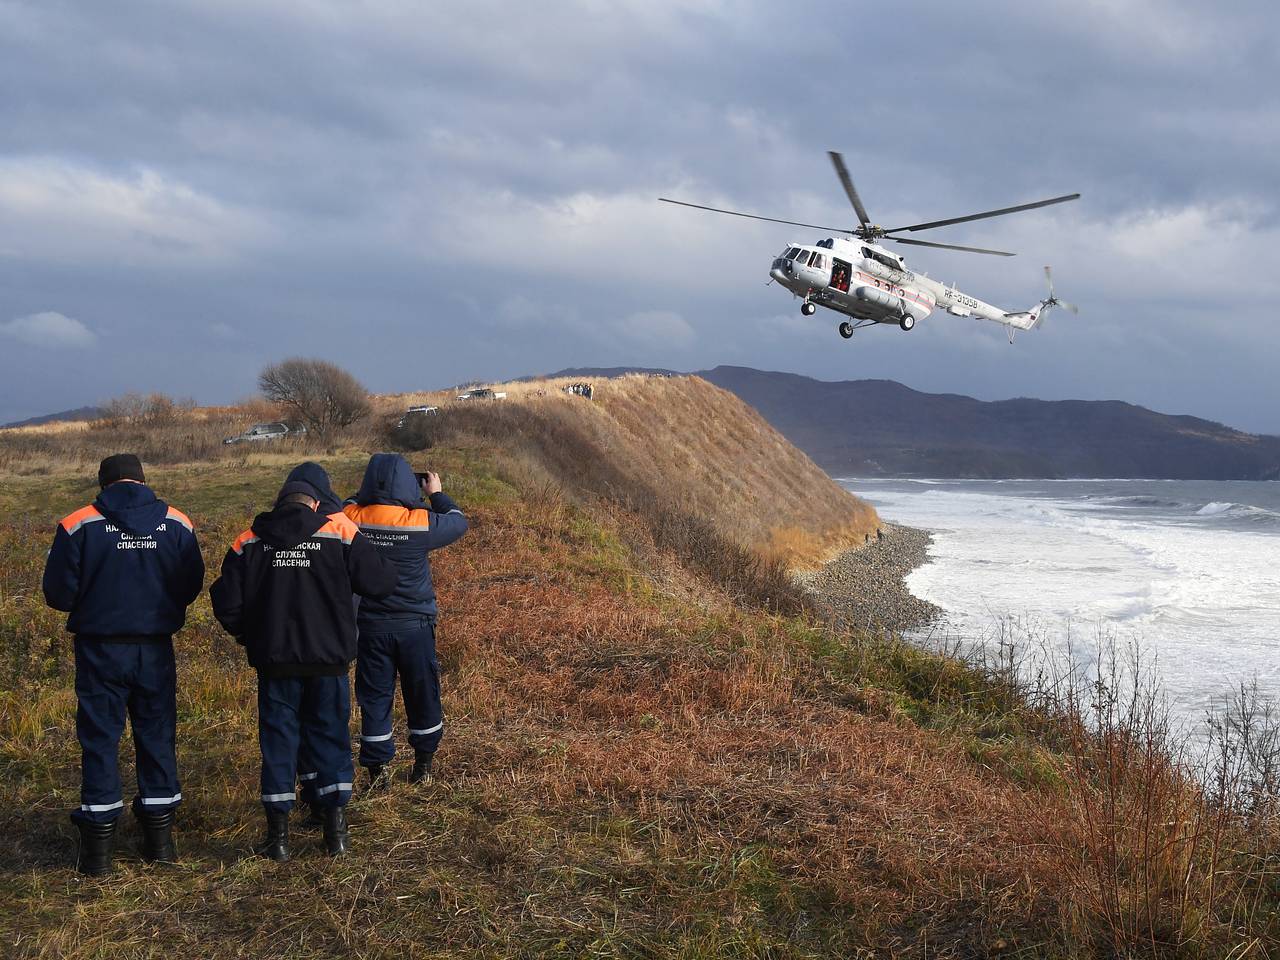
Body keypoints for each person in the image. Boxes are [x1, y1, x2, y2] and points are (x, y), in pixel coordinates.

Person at [210, 475, 396, 860]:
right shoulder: (339, 531)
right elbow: (381, 581)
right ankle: (335, 833)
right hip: (328, 663)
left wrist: (252, 636)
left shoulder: (248, 540)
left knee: (278, 743)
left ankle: (277, 838)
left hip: (275, 665)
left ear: (281, 503)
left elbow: (225, 603)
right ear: (315, 504)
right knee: (331, 738)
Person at [42, 454, 205, 876]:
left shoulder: (78, 524)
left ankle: (97, 853)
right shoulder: (177, 523)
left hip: (99, 650)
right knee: (156, 735)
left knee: (99, 741)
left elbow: (58, 594)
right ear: (143, 481)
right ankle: (160, 842)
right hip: (155, 648)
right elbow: (191, 584)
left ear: (102, 484)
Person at [343, 454, 468, 787]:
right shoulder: (419, 521)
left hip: (370, 627)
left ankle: (378, 771)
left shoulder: (352, 517)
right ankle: (423, 765)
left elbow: (345, 504)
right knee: (422, 693)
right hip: (415, 626)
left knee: (374, 697)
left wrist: (366, 494)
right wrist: (436, 494)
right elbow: (457, 521)